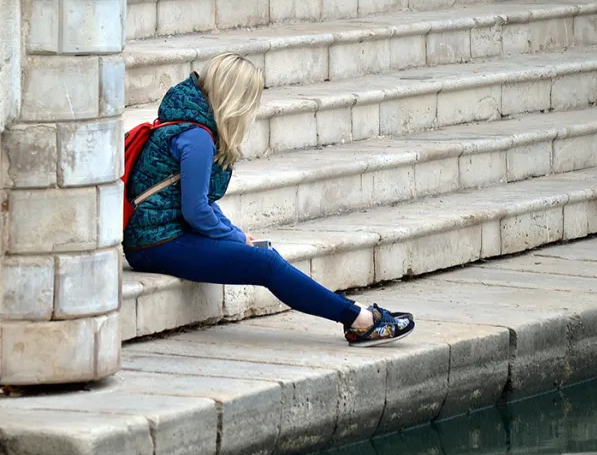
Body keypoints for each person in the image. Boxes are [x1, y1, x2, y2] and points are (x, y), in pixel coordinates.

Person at [123, 53, 414, 346]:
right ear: (236, 99)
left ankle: (354, 314)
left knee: (263, 255)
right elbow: (196, 210)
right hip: (154, 244)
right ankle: (358, 320)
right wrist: (234, 237)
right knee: (266, 263)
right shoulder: (197, 137)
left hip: (162, 236)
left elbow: (202, 201)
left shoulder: (188, 120)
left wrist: (234, 234)